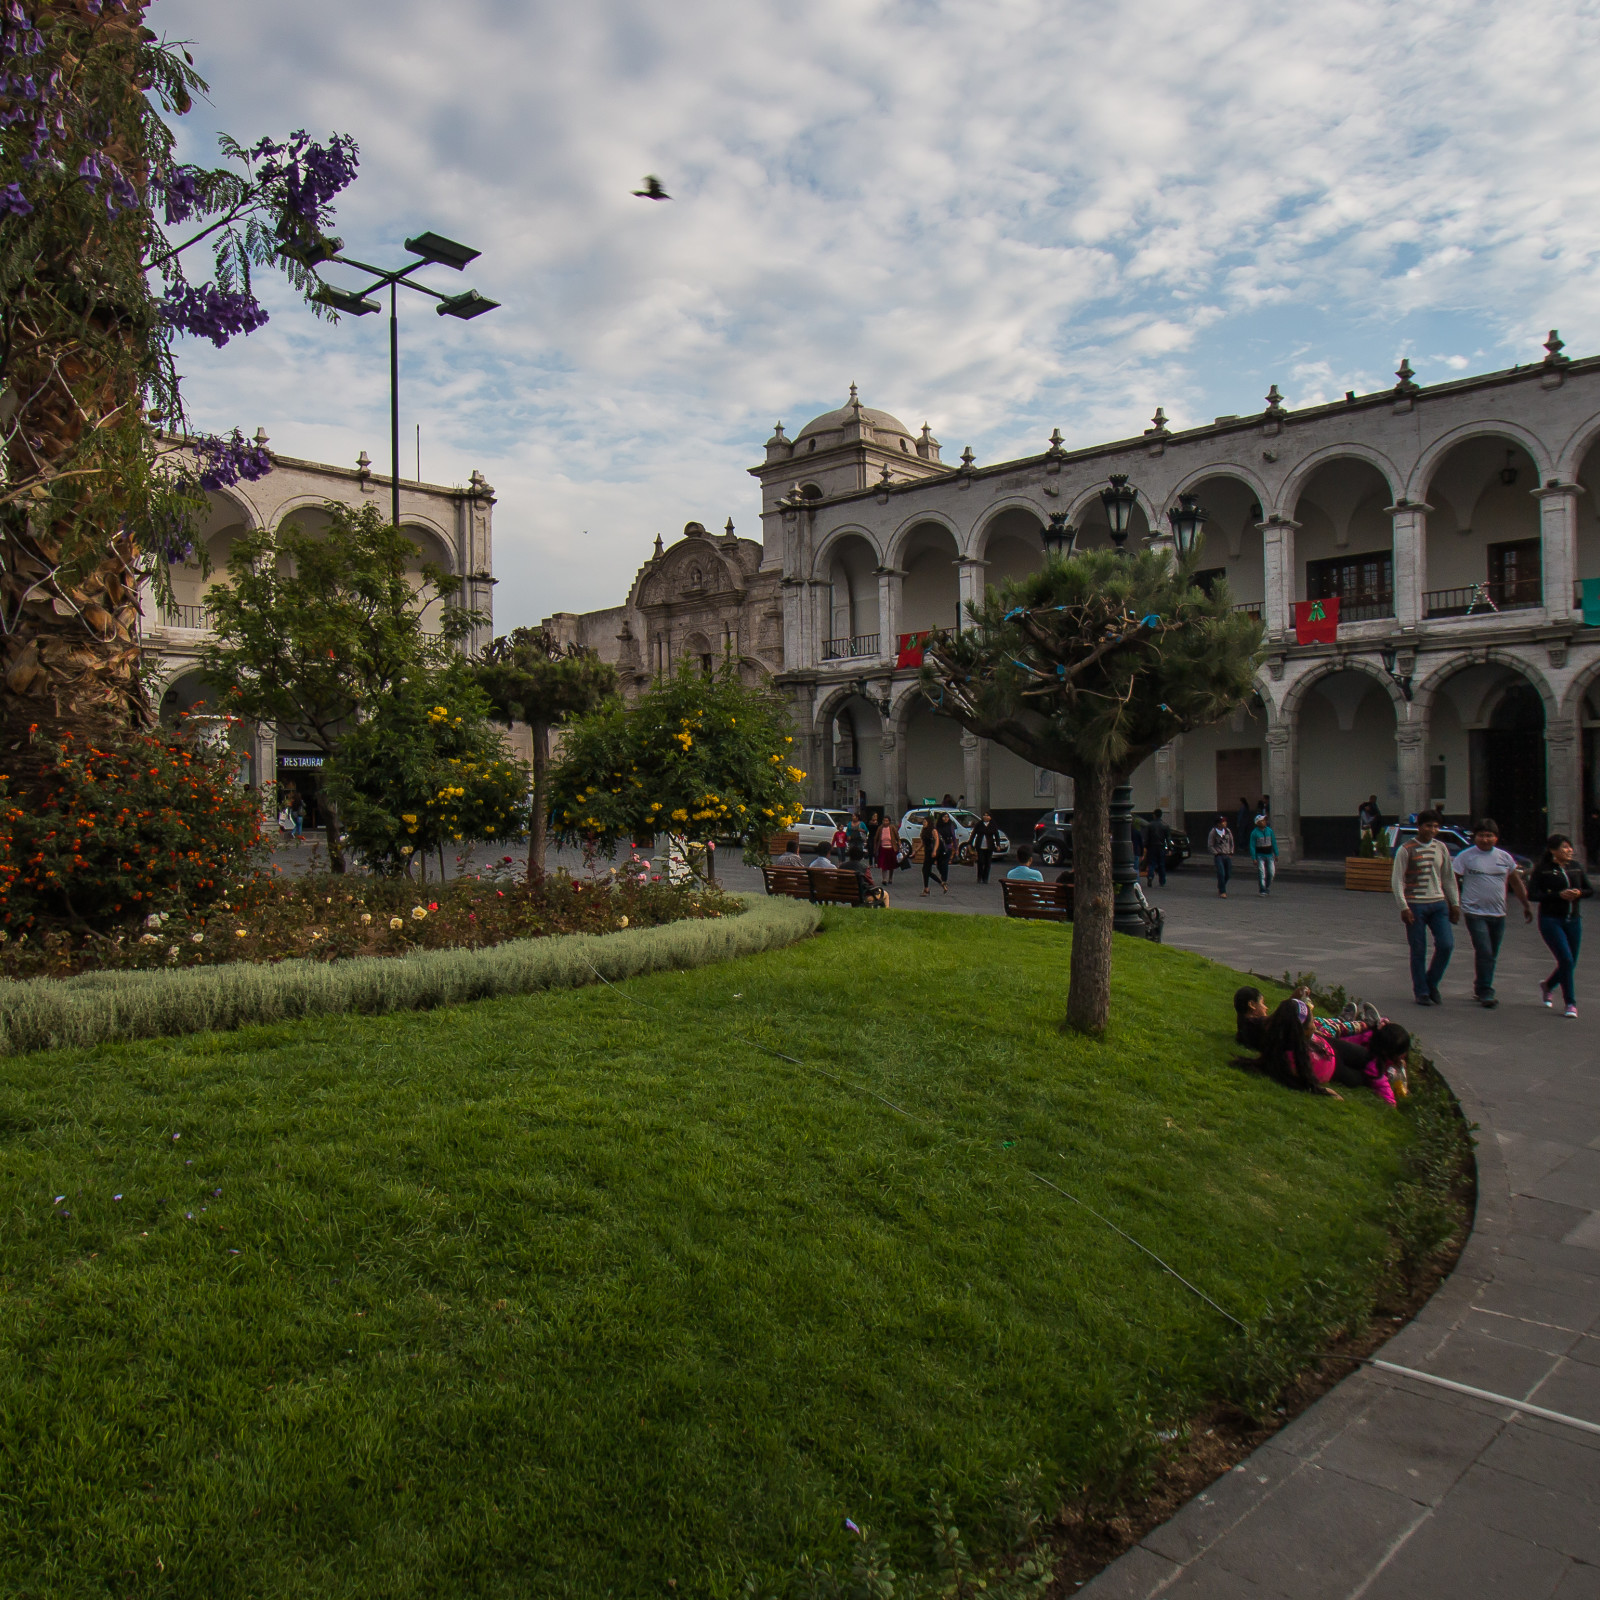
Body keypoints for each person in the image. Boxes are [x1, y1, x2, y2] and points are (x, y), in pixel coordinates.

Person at [1235, 998, 1398, 1105]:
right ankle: (1390, 1075)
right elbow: (1300, 1082)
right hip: (1335, 1070)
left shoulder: (1294, 1036)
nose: (1314, 1025)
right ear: (1299, 1031)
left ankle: (1378, 1044)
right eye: (1311, 1023)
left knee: (1367, 1057)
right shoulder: (1287, 1058)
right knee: (1363, 1078)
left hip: (1332, 1047)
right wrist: (1324, 1092)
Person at [1452, 817, 1532, 1008]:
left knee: (1491, 953)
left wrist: (1526, 904)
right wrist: (1453, 904)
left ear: (1496, 838)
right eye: (1481, 835)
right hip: (1474, 912)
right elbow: (1452, 879)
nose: (1485, 840)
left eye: (1489, 836)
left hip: (1498, 913)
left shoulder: (1504, 857)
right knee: (1485, 951)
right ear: (1475, 837)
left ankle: (1480, 986)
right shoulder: (1466, 856)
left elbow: (1515, 882)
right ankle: (1487, 991)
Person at [1391, 808, 1460, 1005]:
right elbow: (1397, 881)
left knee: (1446, 945)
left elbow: (1448, 877)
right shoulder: (1406, 849)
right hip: (1415, 905)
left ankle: (1431, 982)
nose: (1432, 830)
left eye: (1436, 826)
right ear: (1419, 827)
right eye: (1429, 825)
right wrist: (1403, 906)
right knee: (1418, 949)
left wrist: (1454, 903)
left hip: (1438, 903)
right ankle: (1421, 991)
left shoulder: (1441, 848)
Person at [1529, 834, 1594, 1017]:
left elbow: (1590, 890)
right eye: (1564, 847)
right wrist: (1558, 895)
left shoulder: (1576, 868)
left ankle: (1548, 985)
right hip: (1551, 920)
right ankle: (1570, 1003)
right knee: (1565, 959)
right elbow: (1532, 894)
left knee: (1570, 962)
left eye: (1570, 847)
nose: (1569, 851)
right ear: (1553, 850)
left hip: (1573, 919)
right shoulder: (1543, 870)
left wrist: (1578, 893)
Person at [1249, 814, 1278, 895]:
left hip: (1270, 855)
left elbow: (1274, 842)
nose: (1264, 822)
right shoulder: (1254, 833)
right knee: (1262, 873)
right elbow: (1252, 846)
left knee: (1271, 872)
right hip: (1260, 855)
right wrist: (1254, 858)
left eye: (1265, 820)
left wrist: (1276, 853)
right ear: (1257, 823)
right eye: (1262, 820)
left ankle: (1267, 886)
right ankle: (1262, 889)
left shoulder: (1269, 831)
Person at [971, 810, 1002, 884]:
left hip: (989, 846)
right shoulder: (979, 824)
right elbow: (973, 833)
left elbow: (996, 835)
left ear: (990, 817)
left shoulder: (993, 825)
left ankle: (985, 878)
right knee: (980, 862)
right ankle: (979, 877)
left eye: (987, 815)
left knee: (988, 863)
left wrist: (998, 845)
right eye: (984, 815)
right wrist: (970, 843)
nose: (985, 817)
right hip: (980, 846)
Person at [1209, 815, 1235, 897]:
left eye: (1225, 821)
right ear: (1218, 824)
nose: (1225, 823)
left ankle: (1221, 884)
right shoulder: (1213, 832)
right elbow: (1210, 845)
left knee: (1228, 873)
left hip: (1227, 854)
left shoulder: (1227, 831)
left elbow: (1231, 842)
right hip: (1219, 855)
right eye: (1223, 822)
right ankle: (1222, 891)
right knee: (1221, 873)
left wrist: (1231, 852)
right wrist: (1215, 853)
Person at [1144, 809, 1171, 888]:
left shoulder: (1150, 825)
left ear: (1154, 815)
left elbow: (1147, 838)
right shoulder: (1165, 825)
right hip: (1161, 846)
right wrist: (1169, 848)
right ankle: (1162, 881)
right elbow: (1168, 838)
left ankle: (1150, 876)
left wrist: (1146, 846)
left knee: (1151, 863)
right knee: (1161, 864)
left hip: (1152, 846)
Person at [919, 815, 943, 896]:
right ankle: (941, 883)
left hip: (932, 852)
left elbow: (937, 841)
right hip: (927, 851)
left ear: (929, 822)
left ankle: (926, 889)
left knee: (925, 870)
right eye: (923, 822)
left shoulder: (933, 830)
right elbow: (922, 843)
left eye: (925, 822)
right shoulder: (924, 830)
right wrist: (915, 851)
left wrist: (935, 851)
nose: (924, 824)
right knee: (927, 871)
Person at [873, 816, 899, 886]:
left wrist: (899, 845)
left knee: (891, 864)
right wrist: (875, 848)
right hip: (883, 848)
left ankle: (890, 878)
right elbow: (876, 838)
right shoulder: (880, 828)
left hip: (891, 848)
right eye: (884, 821)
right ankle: (884, 879)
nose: (885, 822)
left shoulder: (892, 828)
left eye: (887, 821)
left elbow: (897, 837)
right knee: (883, 864)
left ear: (889, 821)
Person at [935, 811, 956, 889]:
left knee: (945, 863)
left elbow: (953, 836)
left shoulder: (950, 825)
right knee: (939, 864)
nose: (946, 818)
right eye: (944, 817)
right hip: (939, 847)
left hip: (948, 846)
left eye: (947, 817)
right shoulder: (938, 826)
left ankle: (944, 879)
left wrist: (956, 848)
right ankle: (942, 874)